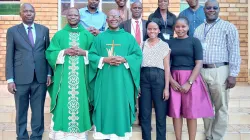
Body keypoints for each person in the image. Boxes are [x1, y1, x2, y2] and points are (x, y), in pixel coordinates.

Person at [88, 9, 142, 140]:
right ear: (106, 20)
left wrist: (125, 59)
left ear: (120, 19)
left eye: (116, 16)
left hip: (123, 82)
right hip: (104, 81)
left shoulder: (129, 38)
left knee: (121, 107)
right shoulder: (100, 37)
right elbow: (92, 55)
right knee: (104, 106)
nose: (113, 19)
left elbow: (138, 55)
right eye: (111, 16)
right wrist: (105, 59)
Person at [194, 0, 241, 140]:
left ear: (219, 9)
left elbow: (234, 51)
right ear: (204, 10)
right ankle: (208, 134)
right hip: (202, 71)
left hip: (220, 70)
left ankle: (217, 136)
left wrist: (233, 74)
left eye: (215, 7)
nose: (212, 10)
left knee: (221, 106)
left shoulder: (228, 27)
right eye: (208, 8)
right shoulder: (199, 29)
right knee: (205, 106)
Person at [45, 8, 94, 140]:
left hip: (82, 79)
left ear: (79, 17)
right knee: (63, 101)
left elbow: (95, 54)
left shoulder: (87, 35)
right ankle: (61, 135)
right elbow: (50, 53)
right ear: (66, 17)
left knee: (81, 101)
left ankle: (80, 135)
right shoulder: (60, 35)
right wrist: (64, 52)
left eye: (75, 15)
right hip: (64, 79)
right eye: (70, 15)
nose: (73, 17)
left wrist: (84, 53)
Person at [5, 3, 52, 140]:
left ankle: (37, 136)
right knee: (21, 110)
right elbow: (9, 56)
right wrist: (10, 79)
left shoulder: (44, 30)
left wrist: (49, 73)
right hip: (20, 78)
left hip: (40, 77)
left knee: (38, 111)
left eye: (31, 11)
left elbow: (47, 53)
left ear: (34, 13)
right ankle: (22, 136)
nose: (28, 13)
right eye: (25, 11)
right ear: (20, 14)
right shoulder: (13, 31)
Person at [168, 16, 214, 140]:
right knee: (176, 112)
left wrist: (189, 82)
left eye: (183, 26)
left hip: (191, 77)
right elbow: (165, 63)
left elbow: (198, 63)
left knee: (191, 113)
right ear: (174, 28)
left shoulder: (194, 41)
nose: (180, 29)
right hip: (174, 78)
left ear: (188, 27)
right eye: (177, 26)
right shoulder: (169, 43)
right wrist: (171, 81)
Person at [139, 20, 170, 140]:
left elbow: (167, 67)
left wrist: (166, 88)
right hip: (144, 78)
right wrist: (138, 84)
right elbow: (137, 66)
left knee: (160, 113)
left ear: (159, 30)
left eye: (155, 29)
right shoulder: (141, 45)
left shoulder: (164, 45)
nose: (152, 31)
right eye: (150, 29)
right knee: (145, 114)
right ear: (146, 30)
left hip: (159, 78)